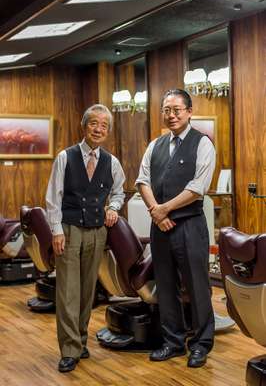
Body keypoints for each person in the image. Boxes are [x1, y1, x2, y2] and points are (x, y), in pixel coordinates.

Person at [136, 89, 216, 368]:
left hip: (190, 225)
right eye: (166, 110)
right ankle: (172, 342)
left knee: (197, 286)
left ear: (189, 111)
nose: (171, 115)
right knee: (166, 286)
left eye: (177, 110)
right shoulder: (155, 145)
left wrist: (164, 209)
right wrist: (157, 214)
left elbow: (197, 188)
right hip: (160, 226)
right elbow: (142, 181)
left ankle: (201, 344)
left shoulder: (203, 143)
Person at [46, 104, 125, 373]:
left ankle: (80, 340)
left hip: (97, 231)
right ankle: (69, 349)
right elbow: (52, 198)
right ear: (84, 126)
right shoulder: (65, 157)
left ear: (108, 131)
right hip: (68, 230)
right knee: (68, 290)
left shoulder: (111, 162)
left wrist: (113, 208)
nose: (99, 129)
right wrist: (56, 230)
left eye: (104, 125)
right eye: (94, 123)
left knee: (87, 290)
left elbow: (119, 192)